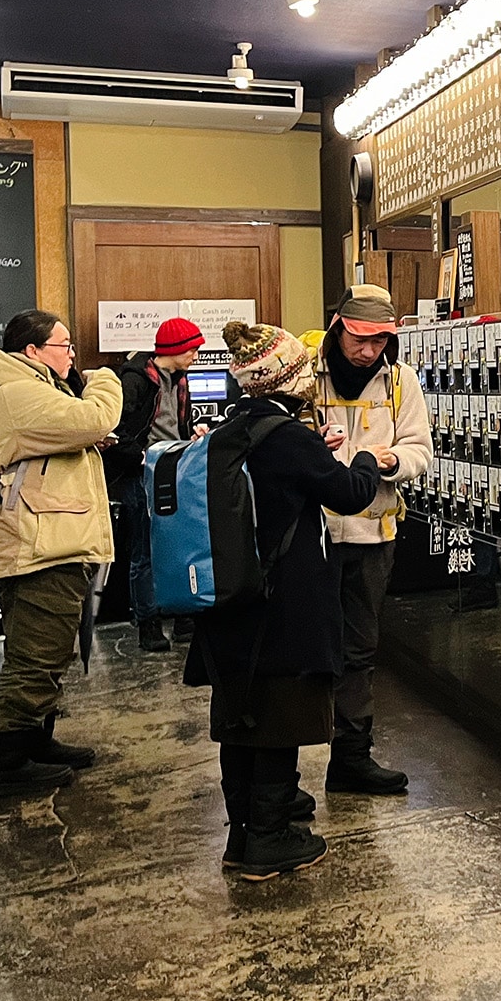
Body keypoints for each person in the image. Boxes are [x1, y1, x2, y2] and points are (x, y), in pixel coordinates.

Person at [184, 321, 384, 882]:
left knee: (238, 721)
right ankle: (271, 842)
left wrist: (314, 455)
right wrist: (365, 458)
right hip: (283, 605)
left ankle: (242, 835)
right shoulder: (291, 437)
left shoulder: (232, 430)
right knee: (278, 722)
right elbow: (349, 495)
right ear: (292, 379)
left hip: (231, 602)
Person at [0, 310, 123, 798]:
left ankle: (36, 742)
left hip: (48, 538)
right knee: (35, 655)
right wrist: (105, 376)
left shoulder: (28, 389)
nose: (71, 354)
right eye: (64, 345)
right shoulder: (17, 392)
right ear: (32, 351)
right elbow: (95, 416)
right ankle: (6, 764)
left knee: (49, 649)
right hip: (35, 544)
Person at [311, 284, 431, 795]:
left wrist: (393, 461)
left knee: (360, 651)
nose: (367, 351)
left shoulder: (402, 383)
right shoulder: (305, 374)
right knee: (303, 648)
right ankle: (285, 769)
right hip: (310, 536)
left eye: (379, 341)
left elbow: (422, 451)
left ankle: (352, 759)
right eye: (359, 339)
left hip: (373, 533)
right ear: (338, 328)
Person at [103, 317, 206, 652]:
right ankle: (148, 623)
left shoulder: (180, 380)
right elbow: (113, 434)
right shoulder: (134, 380)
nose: (196, 354)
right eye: (192, 347)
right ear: (175, 349)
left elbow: (177, 423)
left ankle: (183, 617)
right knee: (144, 551)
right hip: (140, 473)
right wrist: (141, 456)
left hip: (175, 468)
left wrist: (192, 436)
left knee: (180, 543)